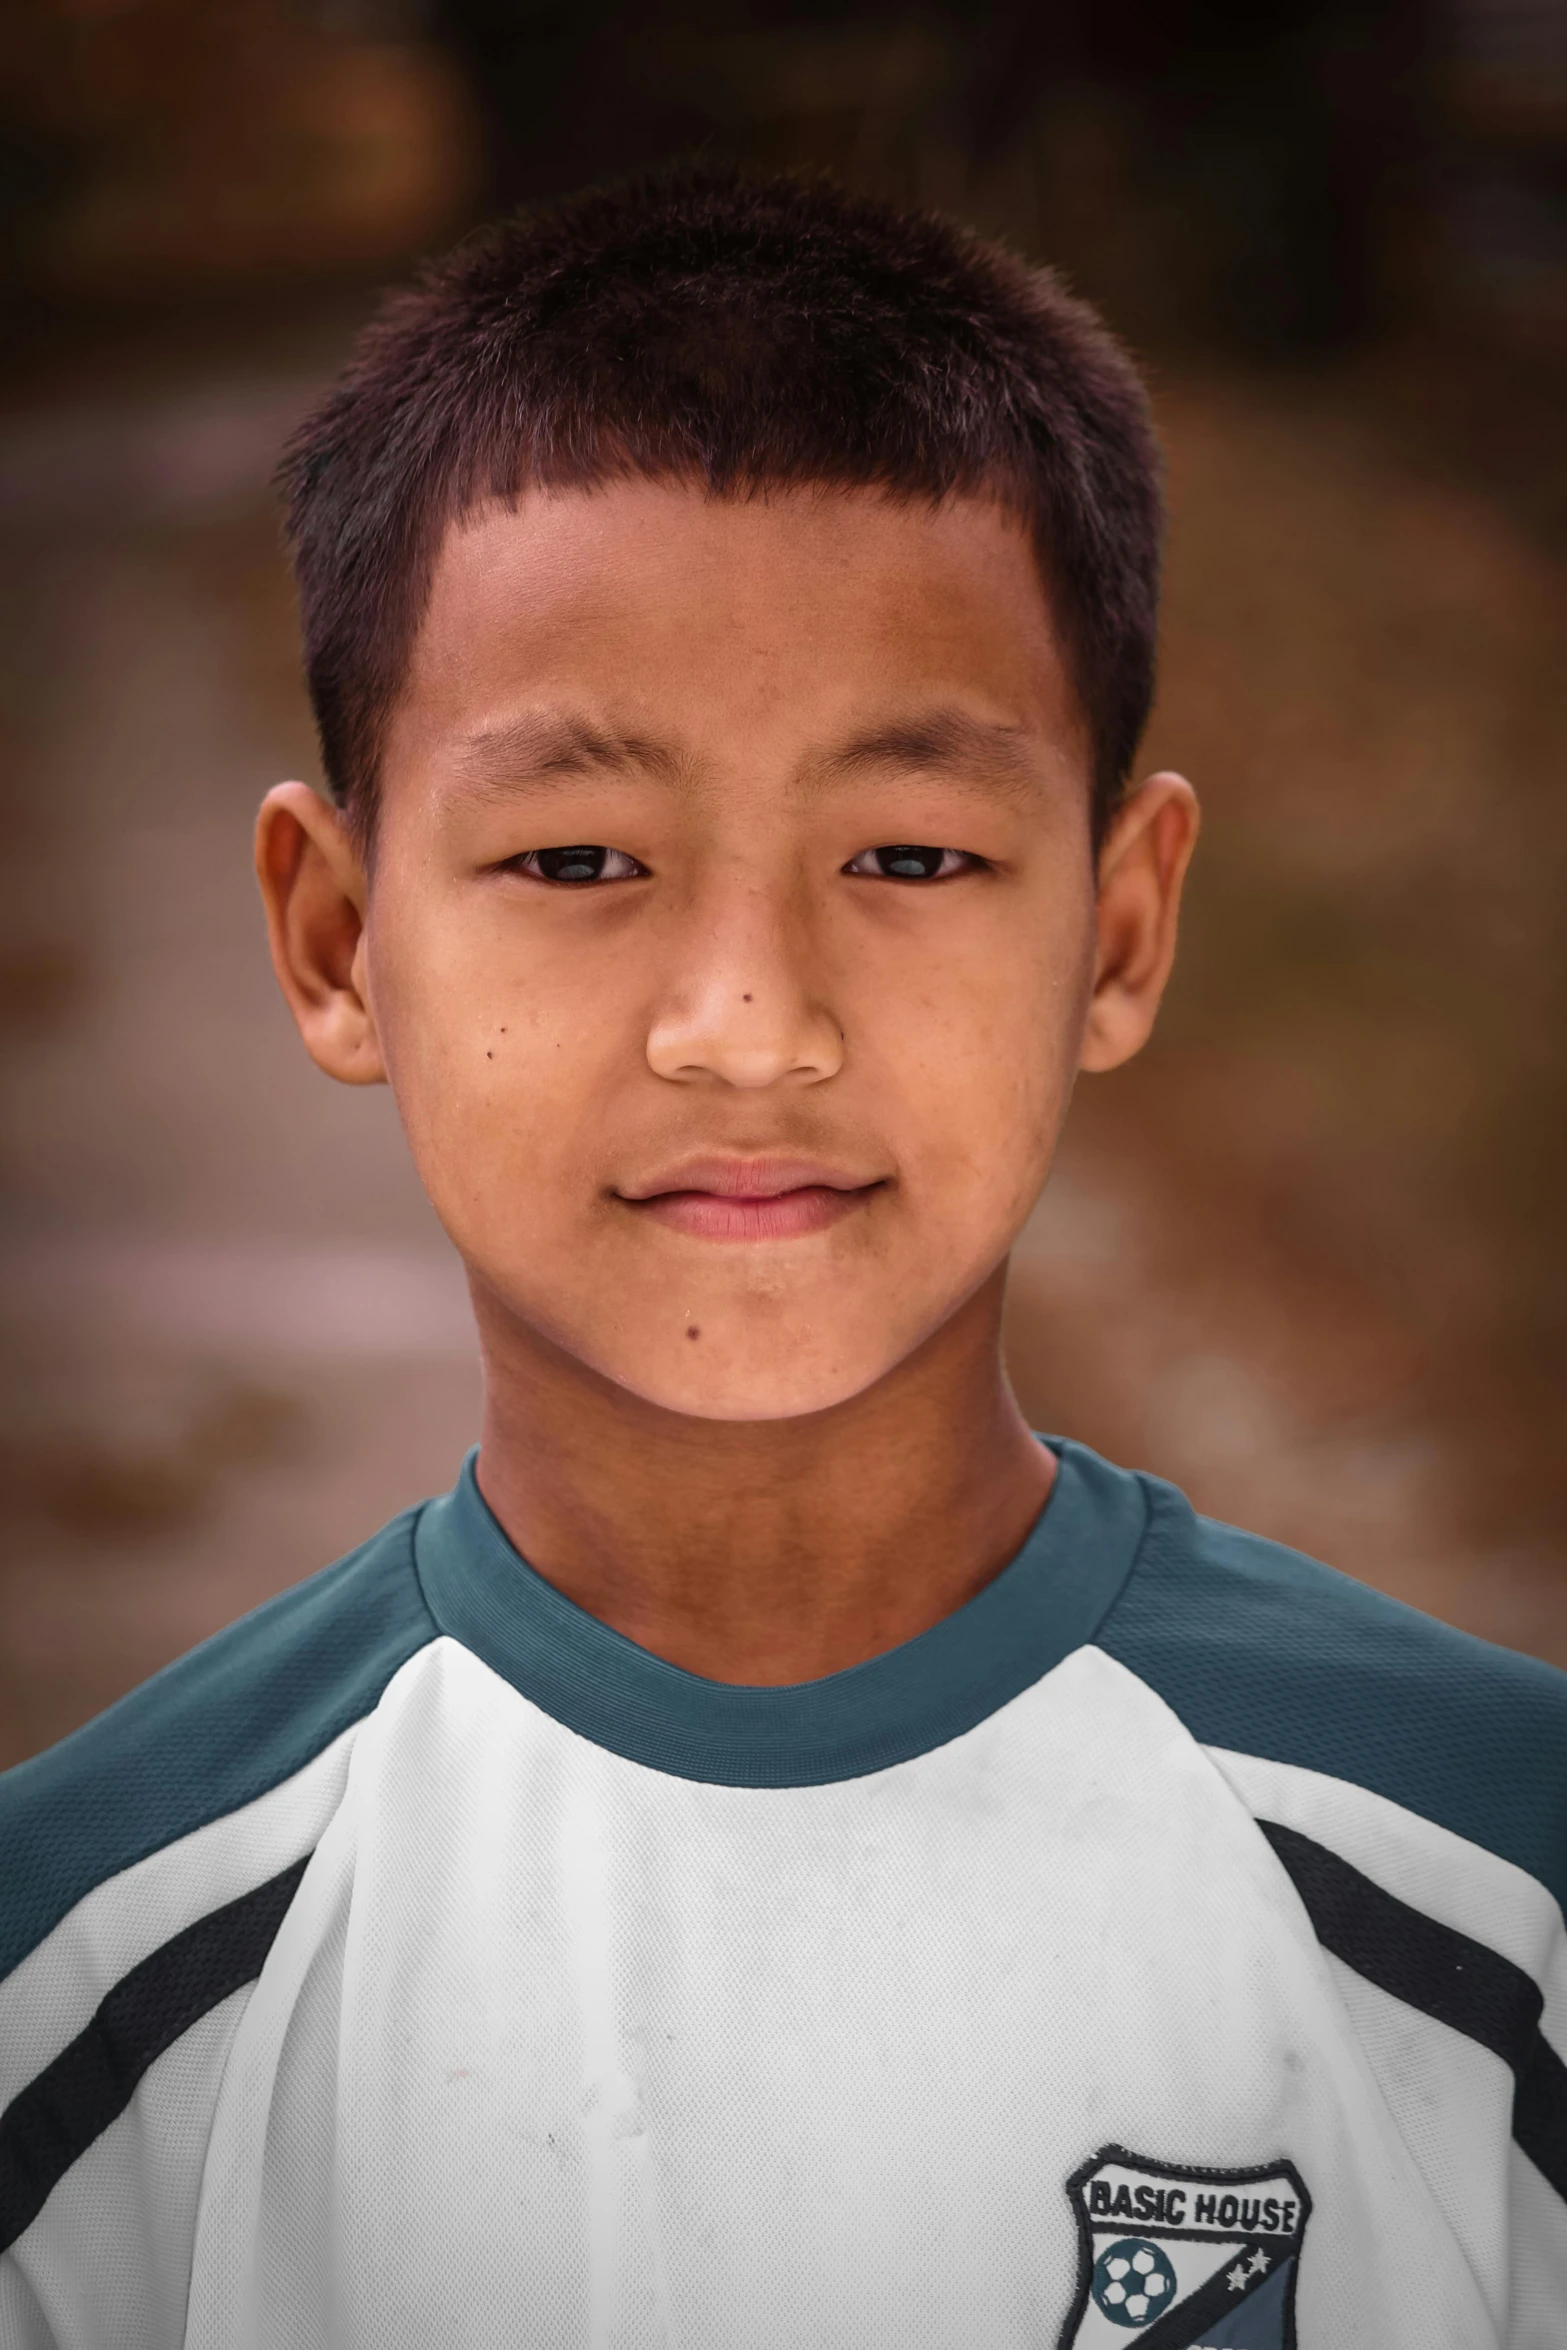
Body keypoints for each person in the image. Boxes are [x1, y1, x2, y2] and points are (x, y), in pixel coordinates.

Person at [1, 166, 1562, 2350]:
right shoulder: (72, 1992)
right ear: (338, 937)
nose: (748, 1018)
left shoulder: (1507, 1904)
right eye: (575, 854)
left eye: (913, 849)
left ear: (1116, 930)